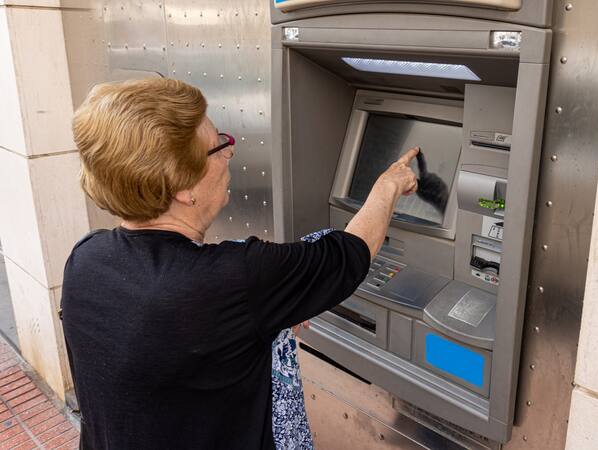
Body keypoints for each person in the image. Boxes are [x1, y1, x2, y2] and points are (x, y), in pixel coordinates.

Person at [61, 78, 419, 450]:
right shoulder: (236, 281)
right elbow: (347, 255)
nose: (229, 154)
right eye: (220, 145)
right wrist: (389, 185)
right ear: (183, 187)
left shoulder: (85, 258)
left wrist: (267, 308)